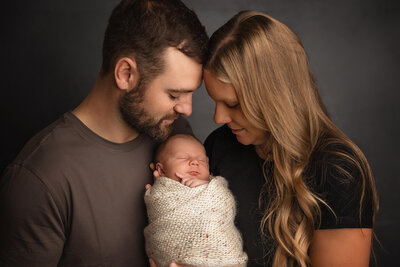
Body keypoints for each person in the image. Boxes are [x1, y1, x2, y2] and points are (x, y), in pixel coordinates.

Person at [0, 0, 208, 266]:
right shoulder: (38, 179)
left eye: (190, 93)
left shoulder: (173, 134)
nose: (187, 108)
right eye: (174, 94)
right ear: (125, 74)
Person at [203, 11, 379, 267]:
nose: (219, 117)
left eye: (233, 104)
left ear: (275, 97)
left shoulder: (339, 172)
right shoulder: (219, 147)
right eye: (215, 102)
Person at [144, 134, 247, 266]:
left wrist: (206, 186)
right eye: (183, 158)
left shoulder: (213, 188)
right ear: (161, 170)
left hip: (221, 255)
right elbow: (160, 208)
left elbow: (225, 202)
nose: (195, 162)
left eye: (202, 160)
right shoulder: (162, 195)